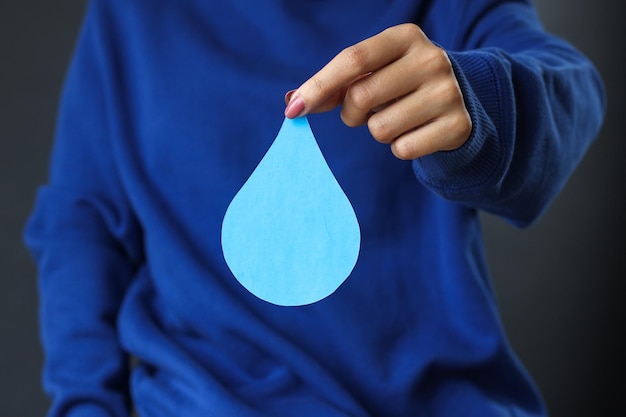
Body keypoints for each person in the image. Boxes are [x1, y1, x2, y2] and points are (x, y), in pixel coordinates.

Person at [23, 0, 605, 416]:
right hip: (202, 398)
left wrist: (476, 101)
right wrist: (84, 403)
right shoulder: (130, 16)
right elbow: (83, 222)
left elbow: (571, 90)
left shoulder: (448, 8)